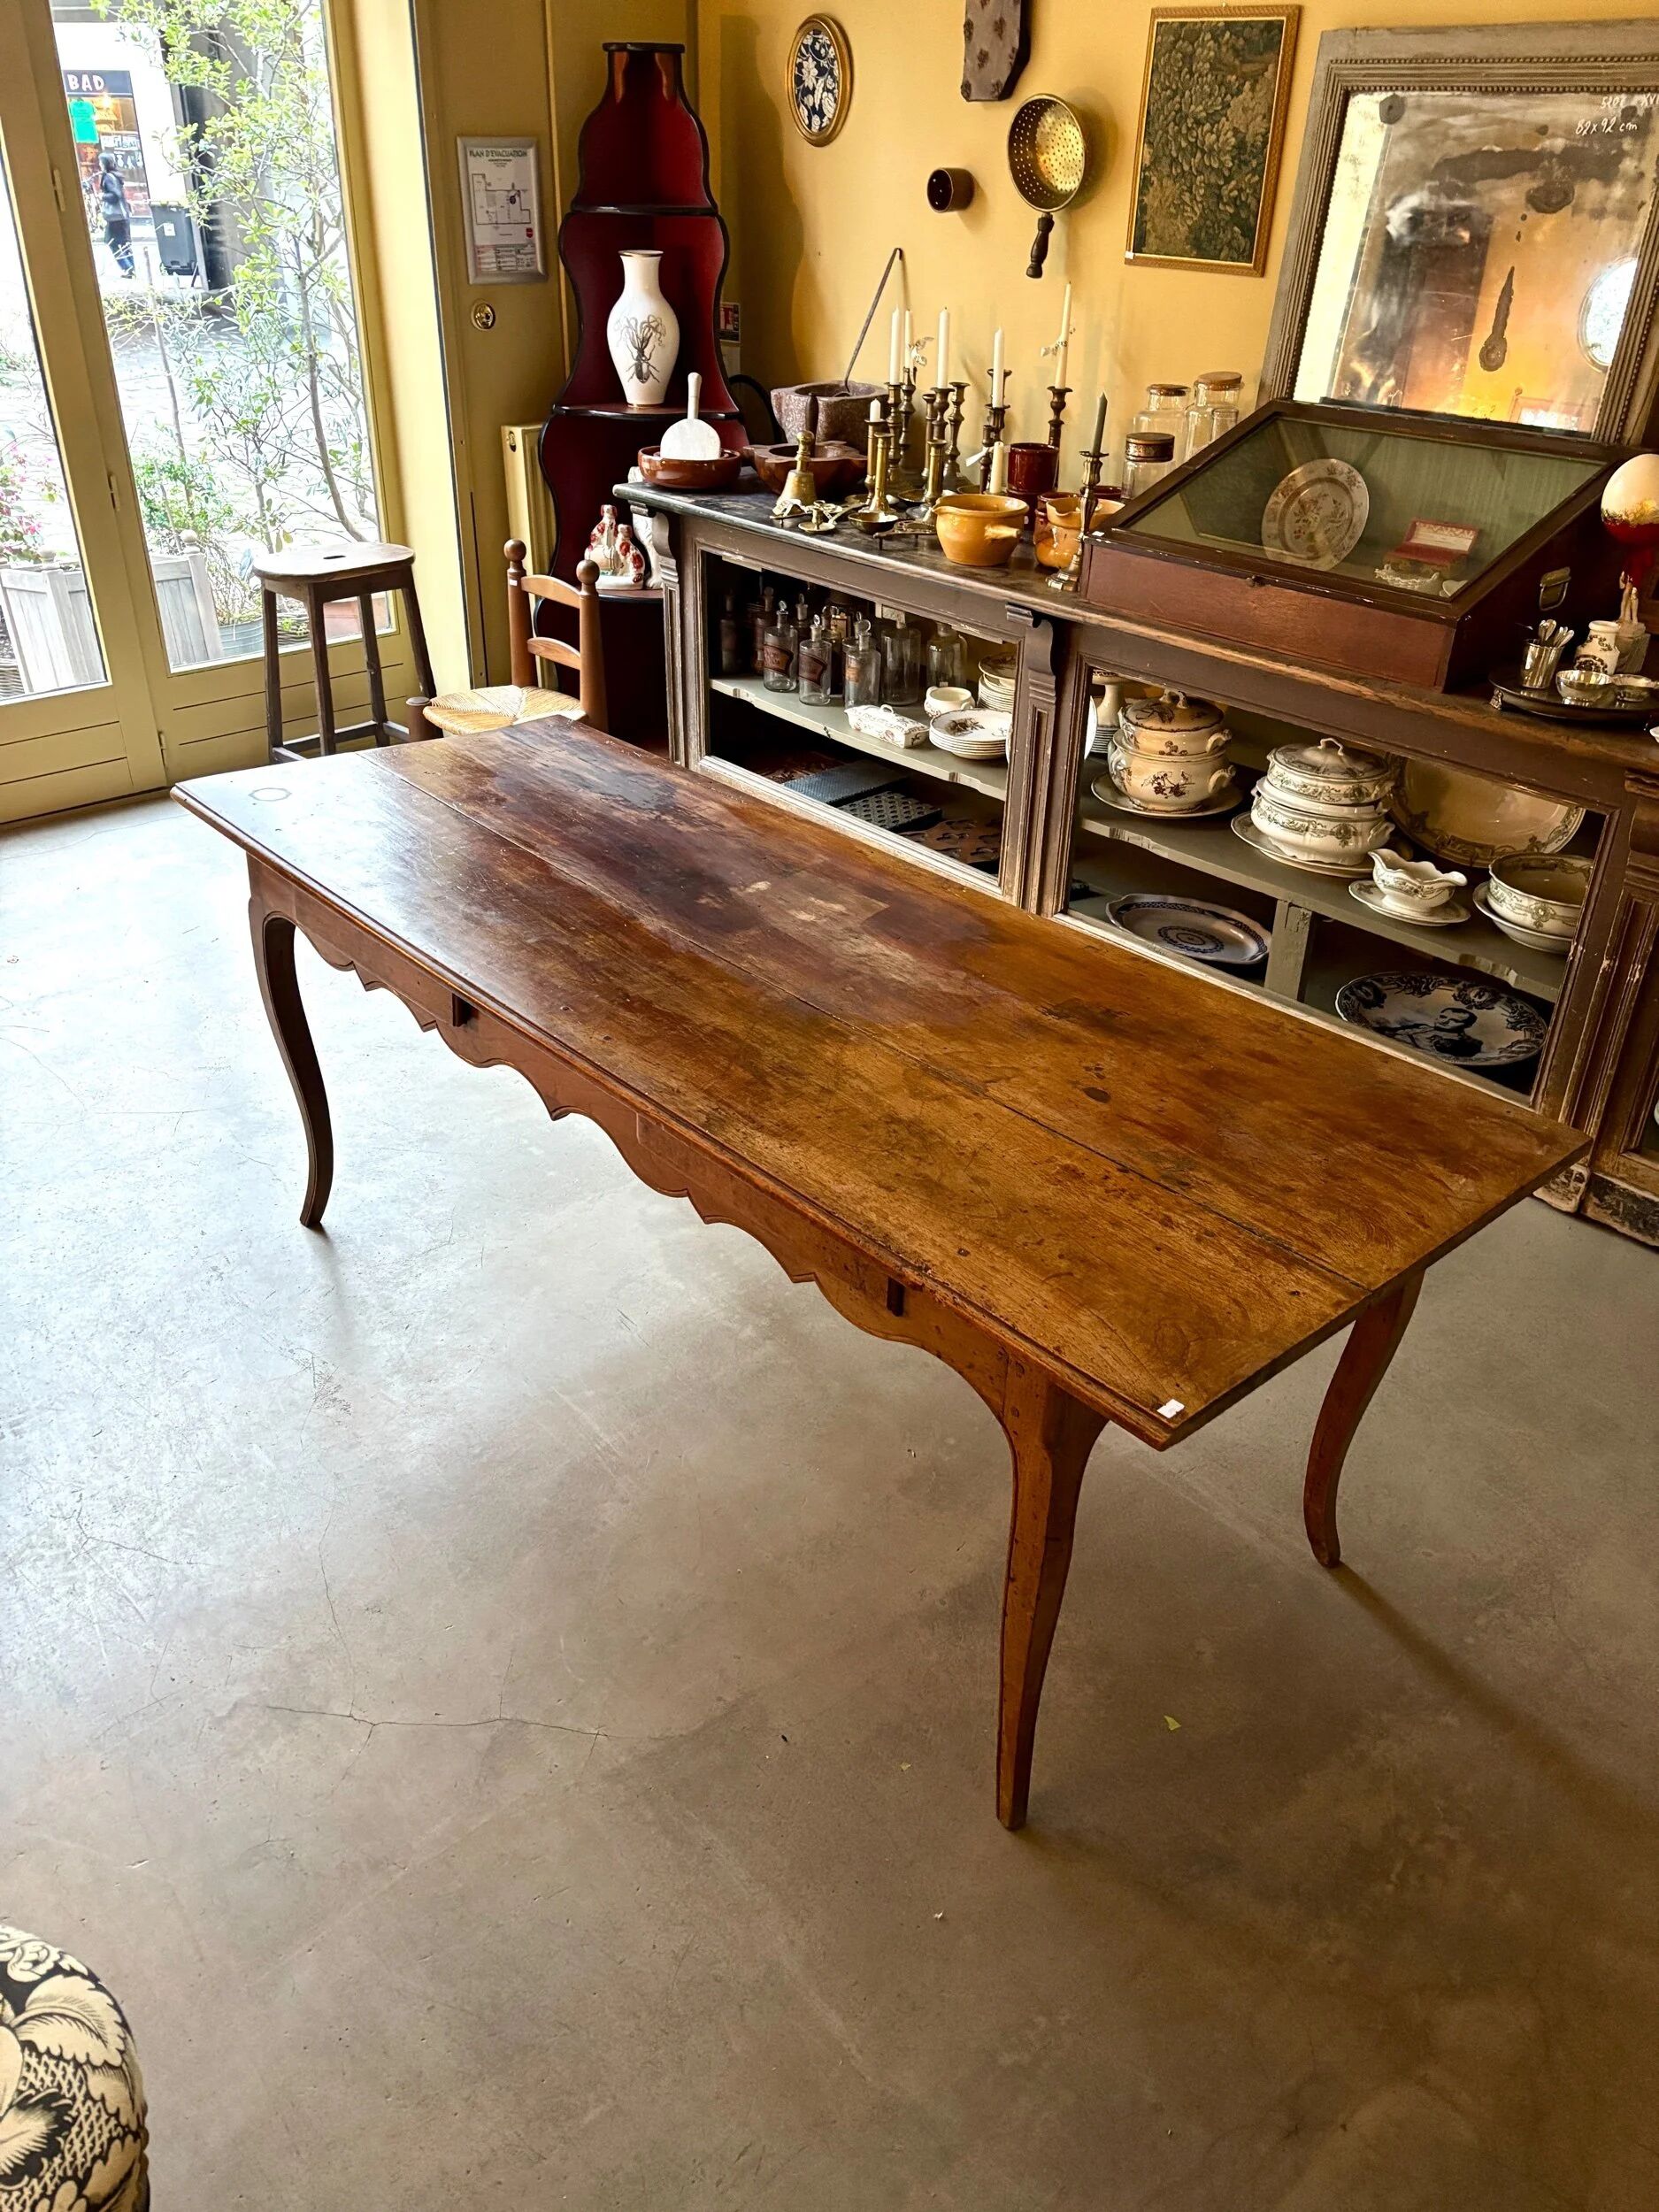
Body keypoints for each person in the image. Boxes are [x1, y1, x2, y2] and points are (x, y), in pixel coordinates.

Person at [97, 152, 134, 279]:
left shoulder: (108, 177)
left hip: (115, 217)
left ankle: (127, 267)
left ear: (104, 164)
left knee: (112, 243)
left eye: (100, 162)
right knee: (124, 243)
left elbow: (115, 195)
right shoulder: (116, 176)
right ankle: (131, 269)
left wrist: (102, 196)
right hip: (122, 216)